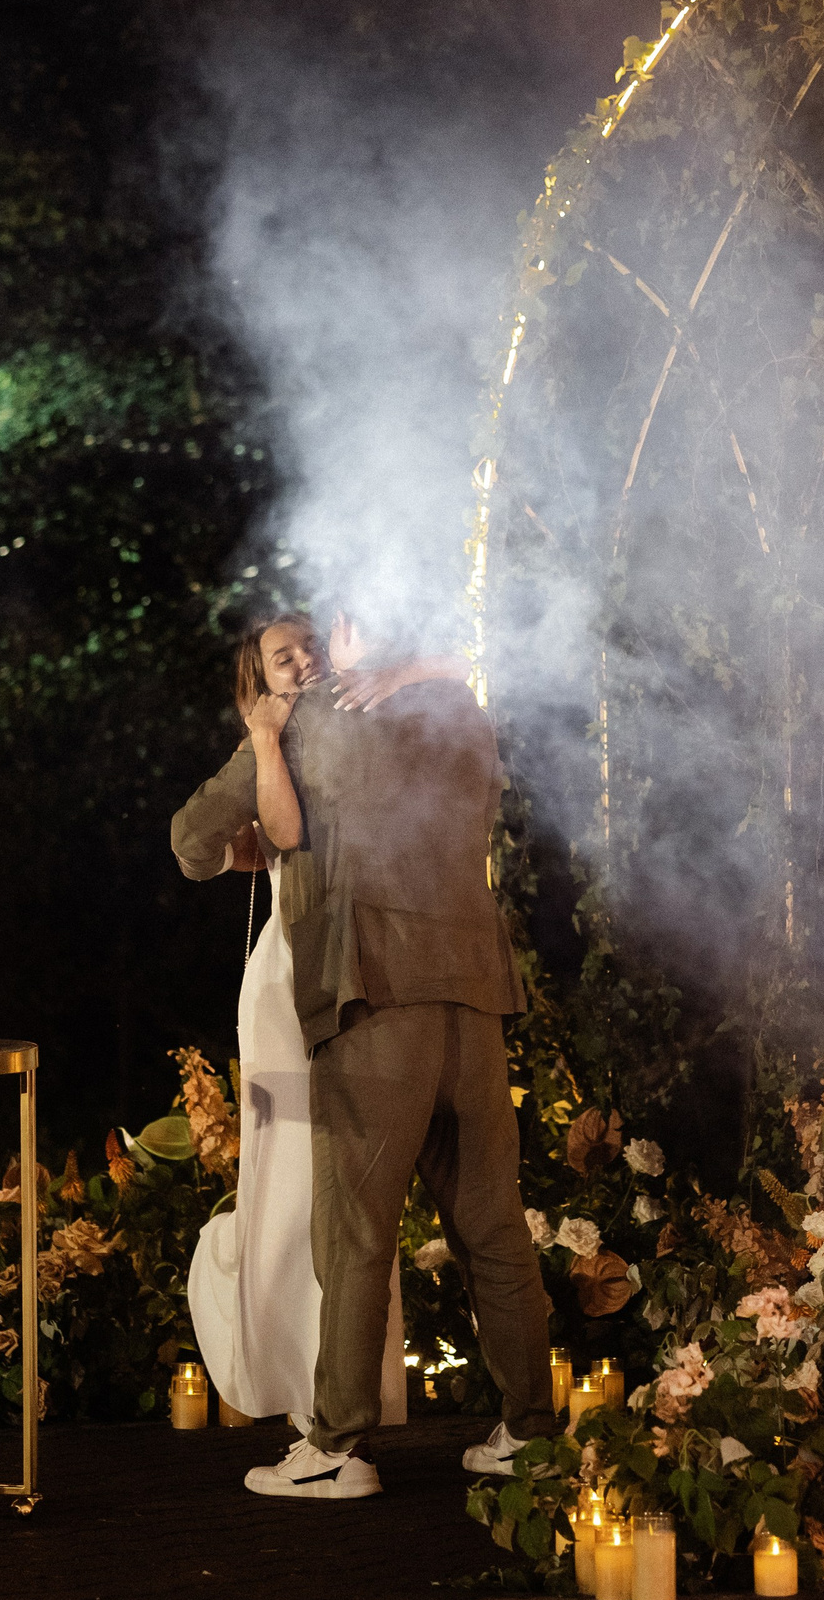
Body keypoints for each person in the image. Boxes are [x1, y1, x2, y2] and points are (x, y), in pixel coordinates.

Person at [172, 609, 558, 1503]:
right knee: (493, 1227)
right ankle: (530, 1432)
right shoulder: (457, 710)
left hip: (375, 1000)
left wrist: (258, 768)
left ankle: (339, 1444)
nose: (314, 650)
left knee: (354, 1233)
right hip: (474, 998)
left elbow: (190, 839)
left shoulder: (302, 722)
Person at [181, 613, 410, 1433]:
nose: (306, 661)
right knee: (287, 1176)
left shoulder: (364, 728)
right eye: (284, 658)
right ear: (259, 686)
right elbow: (191, 841)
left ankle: (342, 1389)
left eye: (310, 646)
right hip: (283, 999)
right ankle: (295, 1381)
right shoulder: (270, 741)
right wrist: (237, 846)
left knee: (350, 1183)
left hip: (359, 987)